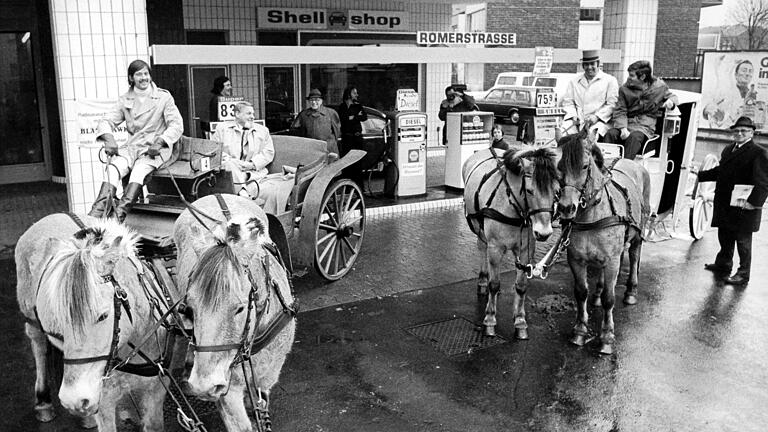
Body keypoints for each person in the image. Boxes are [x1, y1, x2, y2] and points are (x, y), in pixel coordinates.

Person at [88, 59, 183, 221]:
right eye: (139, 74)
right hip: (131, 149)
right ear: (131, 78)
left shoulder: (163, 97)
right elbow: (106, 120)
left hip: (154, 151)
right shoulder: (125, 99)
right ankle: (94, 217)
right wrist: (109, 139)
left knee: (138, 172)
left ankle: (117, 220)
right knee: (112, 169)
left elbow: (177, 125)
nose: (144, 78)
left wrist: (160, 142)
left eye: (146, 74)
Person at [698, 116, 768, 286]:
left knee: (743, 241)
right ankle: (724, 263)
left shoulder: (758, 152)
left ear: (752, 133)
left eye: (744, 131)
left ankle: (743, 274)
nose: (739, 133)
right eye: (736, 131)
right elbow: (721, 171)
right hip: (725, 203)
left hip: (745, 205)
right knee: (725, 235)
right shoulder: (729, 149)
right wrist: (702, 176)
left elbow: (763, 182)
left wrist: (754, 203)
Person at [603, 60, 678, 160]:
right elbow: (620, 110)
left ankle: (625, 168)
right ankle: (605, 165)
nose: (628, 78)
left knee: (633, 138)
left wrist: (671, 103)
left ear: (642, 77)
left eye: (631, 75)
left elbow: (674, 98)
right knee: (610, 134)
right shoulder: (624, 89)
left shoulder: (659, 87)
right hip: (627, 123)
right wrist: (622, 128)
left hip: (644, 126)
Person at [211, 101, 274, 198]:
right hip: (229, 169)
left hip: (253, 171)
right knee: (229, 164)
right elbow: (214, 150)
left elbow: (268, 152)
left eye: (253, 114)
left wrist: (252, 164)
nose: (253, 117)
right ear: (237, 114)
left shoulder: (263, 130)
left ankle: (243, 181)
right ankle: (243, 192)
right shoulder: (222, 129)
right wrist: (234, 163)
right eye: (249, 113)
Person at [560, 49, 619, 139]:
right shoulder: (574, 81)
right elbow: (568, 102)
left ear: (598, 64)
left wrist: (597, 116)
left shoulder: (610, 80)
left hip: (600, 122)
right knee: (563, 132)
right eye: (586, 64)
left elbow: (612, 104)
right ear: (583, 65)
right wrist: (573, 116)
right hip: (578, 121)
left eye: (592, 64)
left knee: (591, 136)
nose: (589, 67)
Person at [702, 59, 754, 129]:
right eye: (744, 70)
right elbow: (708, 108)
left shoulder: (755, 96)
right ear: (736, 75)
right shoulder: (724, 92)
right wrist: (706, 110)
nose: (747, 74)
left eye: (750, 71)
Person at [290, 88, 341, 154]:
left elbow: (337, 132)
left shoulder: (331, 113)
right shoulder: (303, 115)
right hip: (311, 150)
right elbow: (296, 131)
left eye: (317, 100)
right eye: (311, 100)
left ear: (322, 101)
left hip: (329, 150)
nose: (314, 102)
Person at [336, 86, 367, 156]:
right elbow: (343, 119)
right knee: (347, 159)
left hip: (357, 137)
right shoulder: (342, 107)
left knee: (358, 159)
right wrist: (357, 116)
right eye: (354, 93)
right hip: (347, 138)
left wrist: (353, 117)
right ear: (349, 95)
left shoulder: (358, 106)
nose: (357, 95)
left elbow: (364, 117)